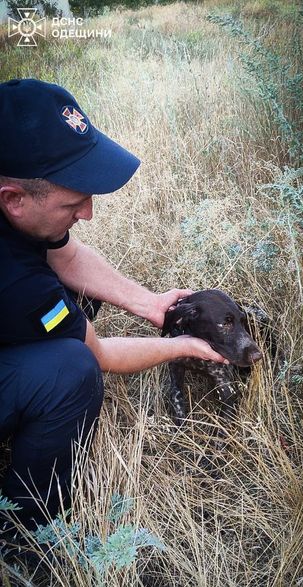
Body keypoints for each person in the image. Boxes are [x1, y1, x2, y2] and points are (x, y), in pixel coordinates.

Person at [0, 79, 228, 532]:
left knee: (73, 298)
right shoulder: (14, 279)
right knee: (70, 368)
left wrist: (152, 306)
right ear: (14, 199)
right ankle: (26, 533)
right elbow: (100, 356)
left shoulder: (18, 204)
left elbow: (67, 256)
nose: (88, 213)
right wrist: (183, 345)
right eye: (75, 200)